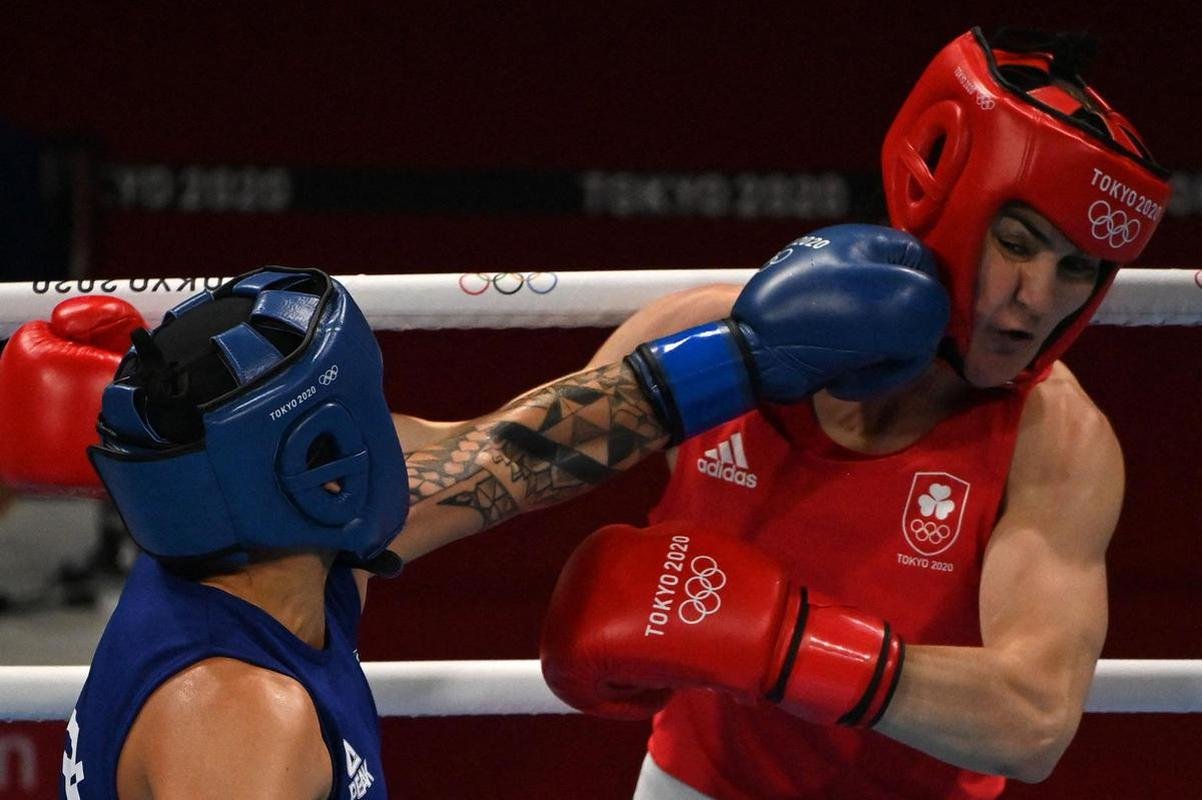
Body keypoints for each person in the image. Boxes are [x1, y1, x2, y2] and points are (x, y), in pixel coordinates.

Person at [0, 228, 946, 798]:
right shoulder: (243, 721)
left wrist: (745, 357)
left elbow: (509, 456)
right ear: (314, 475)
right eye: (366, 415)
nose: (399, 433)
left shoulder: (267, 561)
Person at [537, 27, 1173, 799]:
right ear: (942, 202)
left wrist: (788, 648)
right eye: (1016, 243)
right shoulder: (705, 340)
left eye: (1077, 268)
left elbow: (1033, 724)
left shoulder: (1055, 440)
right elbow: (523, 460)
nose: (1038, 300)